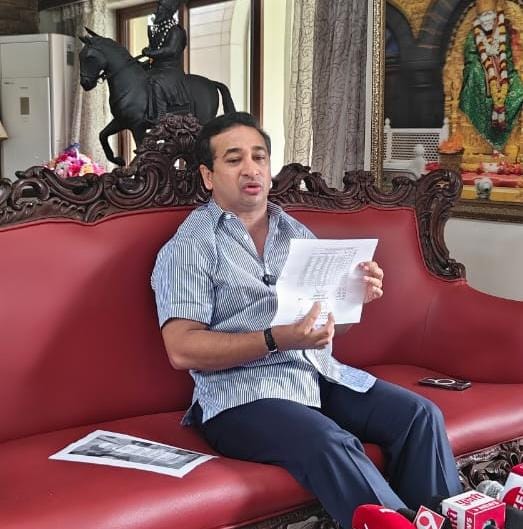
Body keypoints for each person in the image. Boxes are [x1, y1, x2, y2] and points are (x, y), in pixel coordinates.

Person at [151, 112, 462, 528]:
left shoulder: (295, 233)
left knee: (421, 416)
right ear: (208, 176)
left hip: (314, 375)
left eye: (259, 157)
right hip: (239, 398)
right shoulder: (190, 247)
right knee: (330, 441)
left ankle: (450, 519)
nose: (251, 169)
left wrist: (354, 297)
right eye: (234, 159)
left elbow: (326, 327)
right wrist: (274, 339)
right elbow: (181, 348)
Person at [459, 0, 523, 150]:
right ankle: (480, 143)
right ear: (478, 18)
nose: (486, 19)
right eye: (482, 16)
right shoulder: (473, 35)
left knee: (519, 91)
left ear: (495, 15)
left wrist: (502, 66)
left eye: (488, 14)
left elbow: (509, 56)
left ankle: (512, 143)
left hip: (505, 72)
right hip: (482, 72)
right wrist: (483, 66)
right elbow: (470, 57)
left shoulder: (503, 32)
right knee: (474, 75)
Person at [142, 0, 190, 121]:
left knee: (155, 82)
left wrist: (151, 53)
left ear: (168, 11)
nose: (157, 10)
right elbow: (154, 46)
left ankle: (160, 117)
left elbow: (170, 50)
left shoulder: (176, 31)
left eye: (161, 7)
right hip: (156, 67)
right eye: (158, 7)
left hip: (170, 70)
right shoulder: (158, 30)